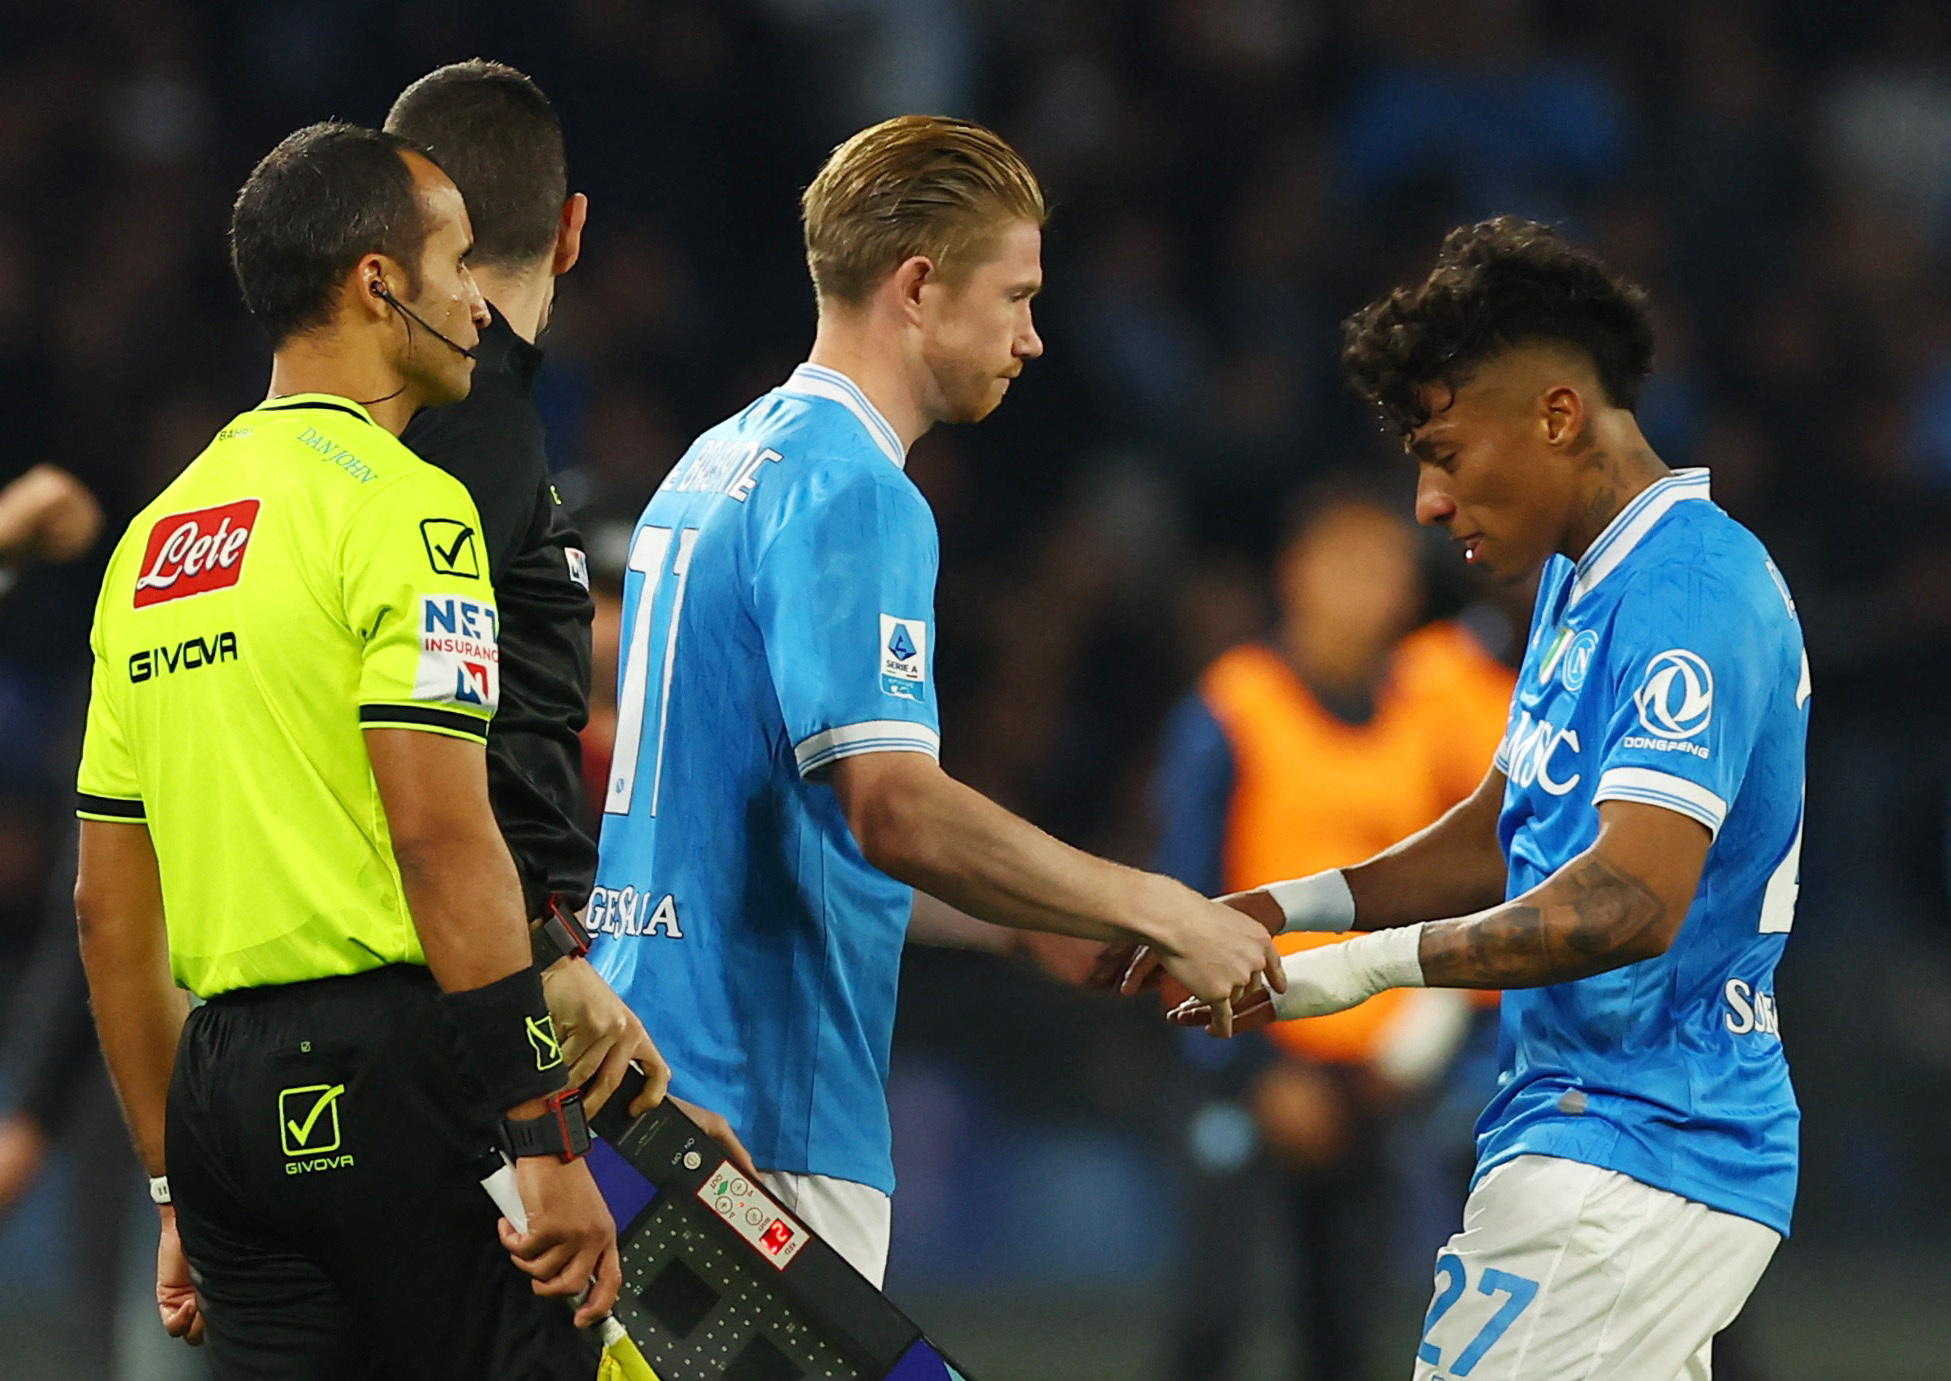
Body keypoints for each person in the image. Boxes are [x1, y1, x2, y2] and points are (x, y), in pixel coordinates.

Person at [589, 114, 1284, 1287]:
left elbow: (777, 845)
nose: (1033, 338)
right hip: (764, 1124)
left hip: (640, 1086)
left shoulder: (711, 463)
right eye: (1014, 297)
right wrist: (1162, 906)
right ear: (918, 287)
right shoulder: (858, 493)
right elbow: (893, 811)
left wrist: (1021, 916)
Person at [1160, 217, 1807, 1380]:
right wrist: (1282, 908)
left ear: (1558, 415)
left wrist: (1361, 968)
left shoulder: (1689, 588)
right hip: (1587, 1132)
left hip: (1641, 1144)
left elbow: (1629, 902)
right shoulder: (1583, 576)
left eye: (1444, 452)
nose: (1425, 502)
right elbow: (1496, 834)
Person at [73, 122, 621, 1379]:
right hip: (410, 1079)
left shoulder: (150, 545)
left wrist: (173, 1183)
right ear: (380, 284)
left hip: (223, 1107)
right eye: (454, 260)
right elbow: (441, 836)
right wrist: (542, 1135)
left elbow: (110, 910)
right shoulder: (406, 506)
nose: (476, 300)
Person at [383, 59, 746, 1147]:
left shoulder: (301, 451)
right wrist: (554, 987)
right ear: (572, 229)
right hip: (465, 1013)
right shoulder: (474, 427)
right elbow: (444, 756)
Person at [1148, 486, 1510, 1381]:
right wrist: (1254, 1071)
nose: (1366, 589)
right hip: (1243, 1059)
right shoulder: (1236, 704)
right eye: (1345, 565)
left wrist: (1416, 1047)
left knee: (1345, 1335)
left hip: (1369, 1080)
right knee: (1207, 1320)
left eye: (1384, 568)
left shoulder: (1428, 718)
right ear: (1294, 575)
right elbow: (1179, 893)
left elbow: (1452, 892)